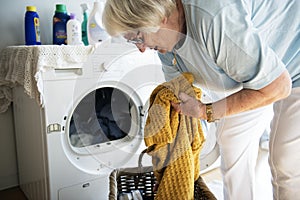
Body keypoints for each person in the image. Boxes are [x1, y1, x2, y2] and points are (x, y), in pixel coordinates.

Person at [103, 0, 299, 199]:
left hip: (293, 61)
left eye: (138, 37)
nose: (141, 49)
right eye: (132, 41)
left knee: (285, 161)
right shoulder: (166, 45)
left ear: (159, 17)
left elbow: (277, 86)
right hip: (255, 74)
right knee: (230, 139)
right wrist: (169, 172)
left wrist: (206, 111)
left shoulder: (213, 18)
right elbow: (180, 107)